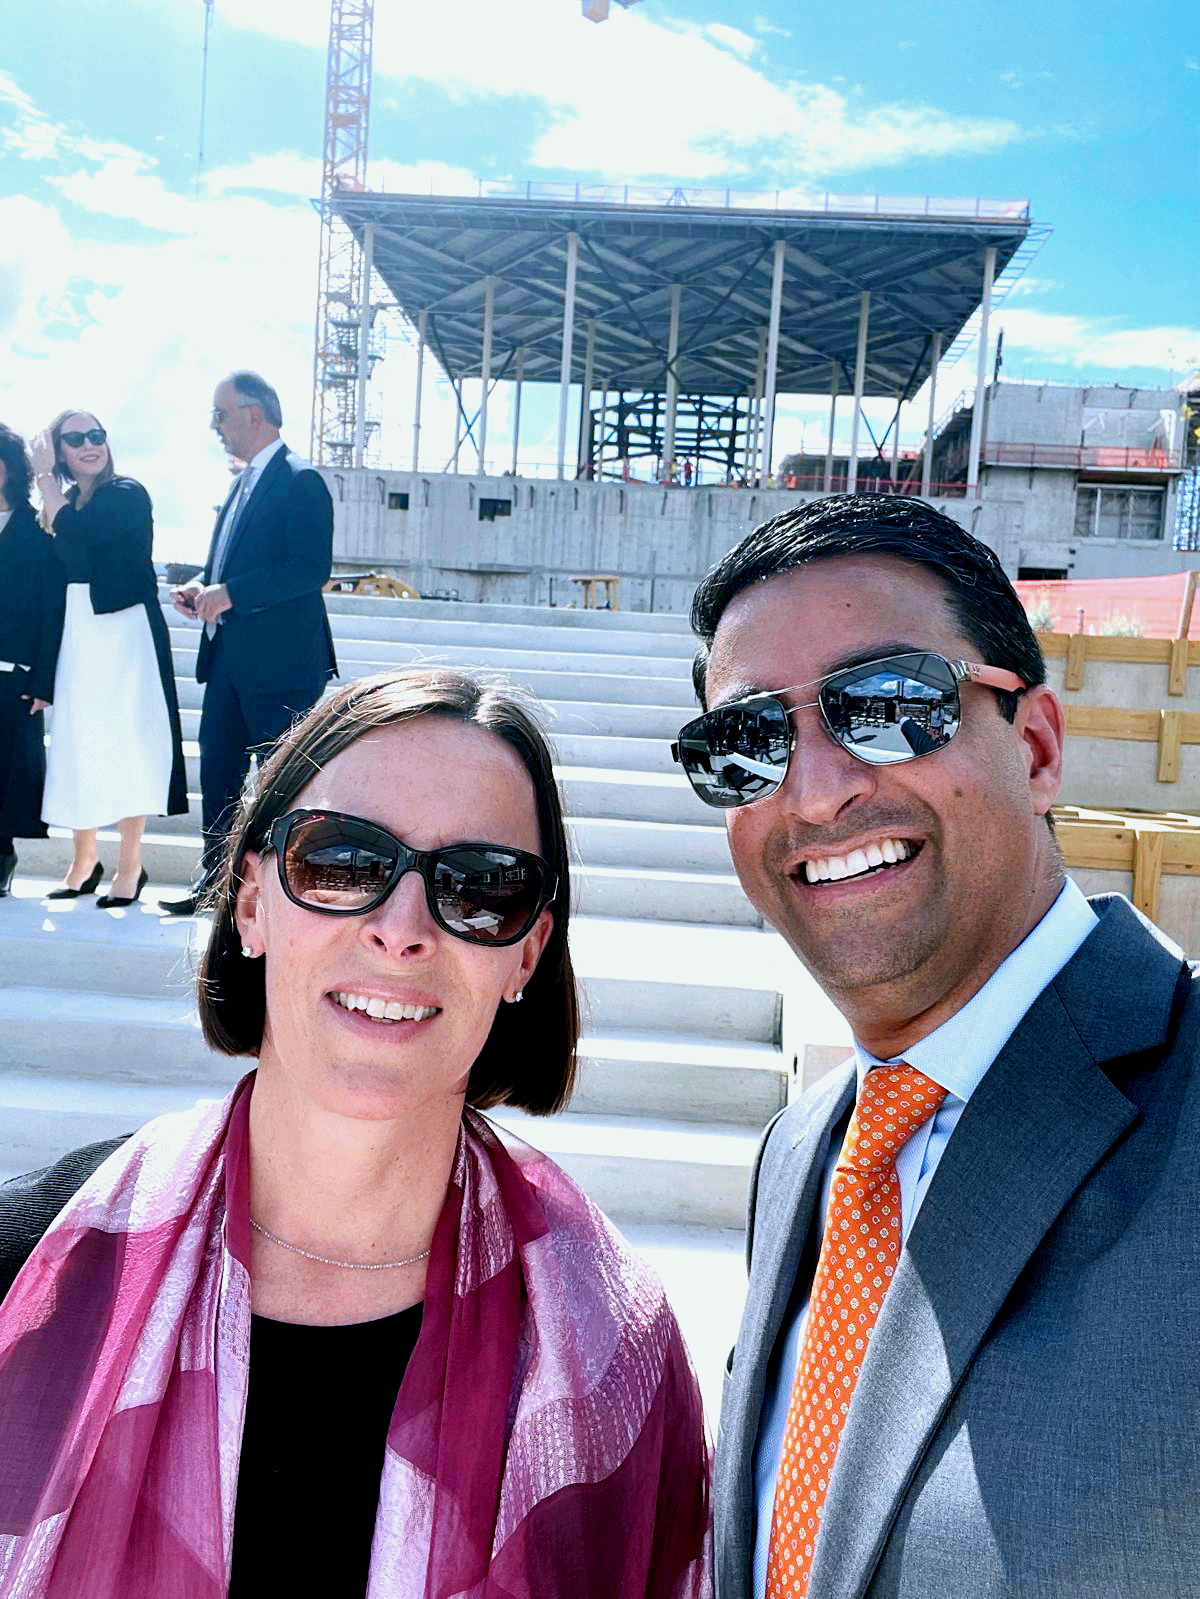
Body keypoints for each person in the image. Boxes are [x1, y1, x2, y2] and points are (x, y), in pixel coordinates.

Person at [0, 667, 712, 1597]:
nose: (402, 928)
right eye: (340, 861)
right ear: (251, 902)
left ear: (526, 955)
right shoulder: (29, 1269)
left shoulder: (621, 1350)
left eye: (482, 887)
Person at [671, 494, 1200, 1598]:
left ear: (1040, 747)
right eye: (749, 742)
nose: (816, 791)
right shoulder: (805, 1149)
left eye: (889, 704)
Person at [162, 370, 336, 917]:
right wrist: (204, 588)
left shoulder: (300, 479)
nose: (215, 426)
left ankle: (299, 895)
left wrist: (231, 592)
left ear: (254, 415)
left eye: (221, 413)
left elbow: (310, 569)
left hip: (283, 664)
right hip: (229, 660)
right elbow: (232, 567)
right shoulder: (240, 484)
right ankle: (216, 888)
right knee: (218, 777)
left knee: (288, 784)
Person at [30, 411, 187, 906]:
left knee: (126, 739)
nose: (89, 445)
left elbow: (78, 537)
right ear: (60, 451)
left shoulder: (126, 493)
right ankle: (84, 858)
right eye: (74, 439)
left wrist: (42, 478)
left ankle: (131, 863)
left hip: (123, 630)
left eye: (96, 435)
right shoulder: (60, 504)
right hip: (77, 630)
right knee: (78, 738)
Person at [0, 423, 65, 897]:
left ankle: (1, 856)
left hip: (12, 675)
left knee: (5, 772)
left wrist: (44, 681)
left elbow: (51, 613)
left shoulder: (37, 534)